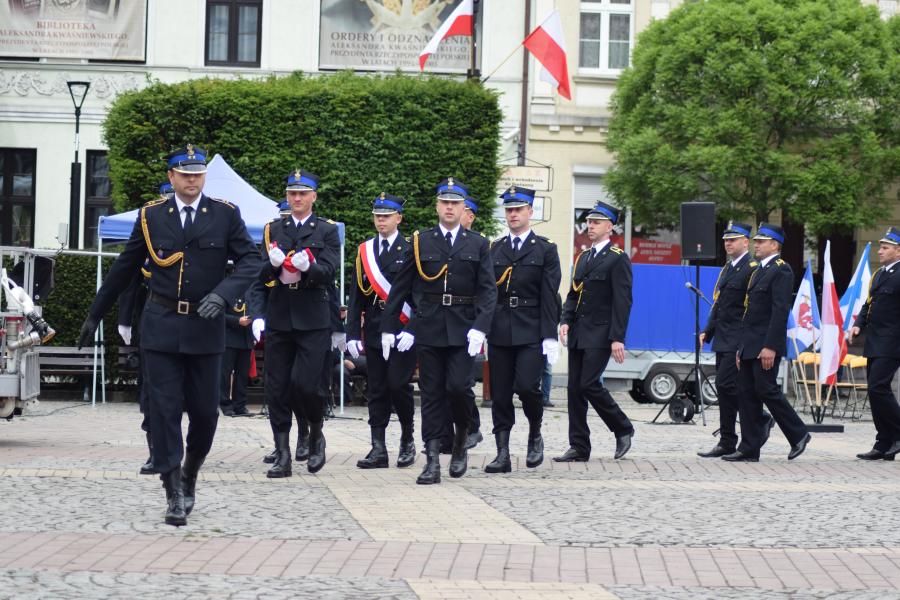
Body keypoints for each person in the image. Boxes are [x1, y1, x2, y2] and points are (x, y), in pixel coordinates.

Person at [78, 145, 260, 526]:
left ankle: (191, 471)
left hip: (206, 328)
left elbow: (251, 260)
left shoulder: (225, 214)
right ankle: (173, 486)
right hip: (161, 326)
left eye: (198, 173)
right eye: (185, 173)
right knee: (162, 411)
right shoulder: (151, 216)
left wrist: (223, 295)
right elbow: (124, 270)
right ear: (172, 176)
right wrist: (95, 316)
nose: (192, 179)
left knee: (206, 414)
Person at [382, 177, 496, 484]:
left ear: (463, 208)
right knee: (431, 394)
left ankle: (461, 440)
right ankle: (431, 460)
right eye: (444, 202)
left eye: (455, 203)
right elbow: (402, 288)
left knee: (458, 388)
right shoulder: (422, 241)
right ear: (437, 206)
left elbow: (487, 291)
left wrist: (480, 328)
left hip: (463, 329)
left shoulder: (478, 244)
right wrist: (388, 328)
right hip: (429, 326)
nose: (449, 207)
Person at [259, 169, 340, 477]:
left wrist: (311, 268)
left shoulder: (326, 231)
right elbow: (261, 275)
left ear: (313, 197)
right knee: (276, 388)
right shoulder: (273, 229)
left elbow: (330, 272)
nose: (296, 198)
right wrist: (272, 265)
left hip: (312, 316)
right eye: (292, 193)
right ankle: (283, 454)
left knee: (307, 385)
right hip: (280, 315)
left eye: (302, 193)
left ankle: (316, 432)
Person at [484, 186, 561, 472]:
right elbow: (487, 292)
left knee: (528, 388)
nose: (513, 214)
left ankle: (534, 432)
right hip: (500, 328)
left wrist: (549, 336)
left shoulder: (545, 249)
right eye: (509, 210)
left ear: (530, 212)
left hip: (531, 329)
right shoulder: (495, 248)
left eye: (518, 209)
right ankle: (502, 452)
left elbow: (549, 295)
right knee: (500, 394)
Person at [723, 223, 811, 462]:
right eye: (756, 241)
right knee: (745, 393)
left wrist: (770, 346)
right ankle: (749, 447)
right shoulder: (758, 271)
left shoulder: (781, 270)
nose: (756, 245)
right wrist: (741, 347)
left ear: (774, 245)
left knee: (767, 390)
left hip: (765, 344)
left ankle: (799, 433)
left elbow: (779, 311)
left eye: (761, 241)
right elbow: (749, 313)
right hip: (750, 344)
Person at [554, 201, 634, 462]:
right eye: (589, 222)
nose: (590, 226)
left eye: (597, 222)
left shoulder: (618, 258)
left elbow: (623, 301)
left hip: (601, 333)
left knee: (589, 383)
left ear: (610, 226)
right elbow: (573, 294)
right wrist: (565, 319)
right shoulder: (584, 257)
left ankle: (622, 427)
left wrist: (617, 338)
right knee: (574, 389)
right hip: (579, 332)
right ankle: (579, 446)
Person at [346, 192, 417, 469]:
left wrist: (412, 328)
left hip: (401, 330)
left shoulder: (411, 249)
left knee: (398, 385)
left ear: (399, 217)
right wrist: (352, 333)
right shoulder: (365, 251)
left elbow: (418, 294)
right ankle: (378, 447)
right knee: (376, 389)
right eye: (377, 216)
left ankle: (408, 439)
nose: (381, 221)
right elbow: (356, 297)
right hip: (375, 327)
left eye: (386, 216)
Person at [697, 222, 761, 458]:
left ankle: (741, 435)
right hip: (723, 337)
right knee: (725, 389)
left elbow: (751, 308)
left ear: (746, 242)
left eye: (733, 239)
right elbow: (719, 303)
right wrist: (708, 330)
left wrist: (745, 340)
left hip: (738, 337)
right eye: (726, 240)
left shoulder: (752, 268)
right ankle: (728, 440)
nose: (728, 243)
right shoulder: (727, 268)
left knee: (729, 386)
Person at [849, 227, 900, 460]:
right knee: (875, 390)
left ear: (898, 251)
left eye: (885, 247)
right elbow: (867, 304)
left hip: (893, 341)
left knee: (878, 387)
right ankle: (883, 442)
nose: (880, 251)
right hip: (875, 340)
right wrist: (859, 323)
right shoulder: (879, 275)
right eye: (881, 247)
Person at [220, 288, 255, 417]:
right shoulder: (228, 291)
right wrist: (237, 321)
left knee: (242, 375)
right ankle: (225, 404)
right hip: (230, 338)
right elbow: (219, 314)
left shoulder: (252, 292)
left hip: (246, 339)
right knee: (225, 373)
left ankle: (239, 405)